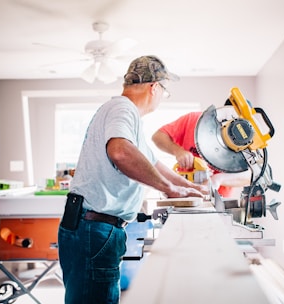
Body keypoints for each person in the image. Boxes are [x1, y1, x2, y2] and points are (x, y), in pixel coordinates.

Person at [57, 55, 207, 304]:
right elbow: (120, 152)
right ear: (154, 87)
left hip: (94, 227)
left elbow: (153, 163)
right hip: (94, 228)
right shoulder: (122, 108)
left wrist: (190, 187)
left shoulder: (127, 117)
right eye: (164, 91)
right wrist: (170, 189)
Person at [152, 109, 252, 198]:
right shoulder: (193, 120)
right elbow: (158, 136)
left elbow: (251, 175)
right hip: (182, 194)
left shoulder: (247, 142)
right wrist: (178, 151)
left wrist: (218, 179)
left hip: (217, 199)